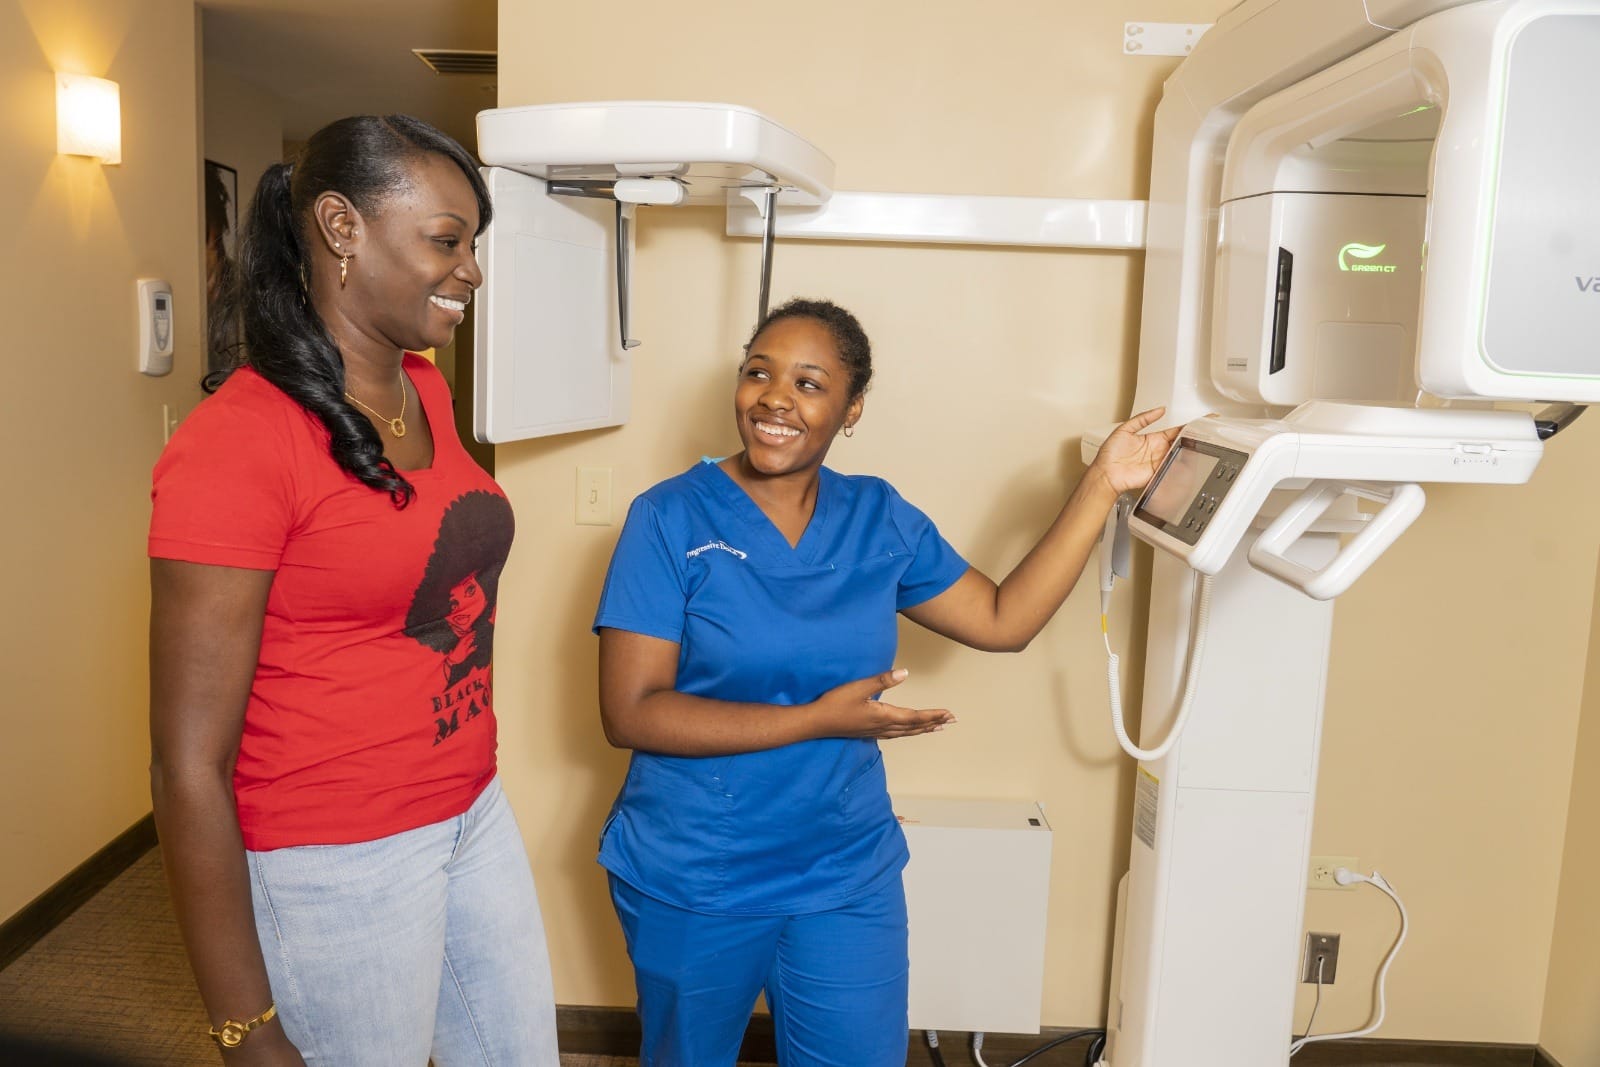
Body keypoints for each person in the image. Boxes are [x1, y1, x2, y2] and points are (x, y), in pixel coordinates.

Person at [592, 298, 1181, 1067]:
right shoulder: (668, 518)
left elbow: (1004, 619)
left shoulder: (878, 516)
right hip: (696, 870)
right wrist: (816, 719)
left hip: (843, 869)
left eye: (809, 382)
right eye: (758, 373)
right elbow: (631, 713)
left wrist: (1103, 485)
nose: (775, 397)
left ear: (851, 407)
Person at [148, 115, 559, 1066]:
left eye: (474, 245)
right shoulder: (237, 443)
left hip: (469, 810)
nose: (472, 272)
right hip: (336, 858)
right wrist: (245, 1029)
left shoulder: (425, 389)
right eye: (446, 242)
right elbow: (185, 768)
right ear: (342, 228)